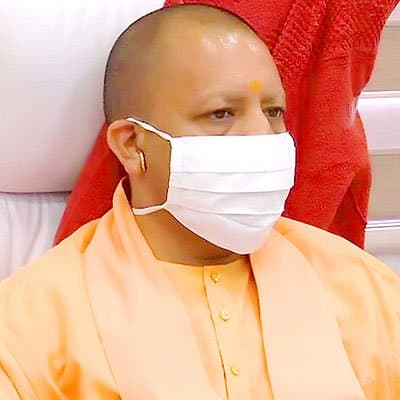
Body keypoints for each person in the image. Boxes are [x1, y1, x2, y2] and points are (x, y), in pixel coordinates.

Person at [0, 4, 399, 399]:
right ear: (132, 144)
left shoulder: (361, 288)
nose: (262, 136)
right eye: (221, 113)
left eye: (273, 111)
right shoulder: (32, 323)